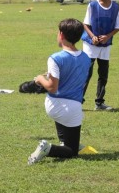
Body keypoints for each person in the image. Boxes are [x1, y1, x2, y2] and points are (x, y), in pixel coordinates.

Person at [27, 18, 91, 164]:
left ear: (61, 35)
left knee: (70, 146)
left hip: (54, 104)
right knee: (72, 151)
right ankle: (50, 148)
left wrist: (39, 79)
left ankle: (57, 144)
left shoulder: (55, 58)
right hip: (71, 107)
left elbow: (52, 87)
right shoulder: (86, 58)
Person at [81, 0, 119, 111]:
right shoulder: (92, 5)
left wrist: (107, 36)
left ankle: (99, 102)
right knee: (87, 73)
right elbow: (85, 24)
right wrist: (92, 36)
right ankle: (78, 101)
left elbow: (117, 27)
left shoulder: (115, 7)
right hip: (90, 44)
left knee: (103, 74)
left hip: (105, 44)